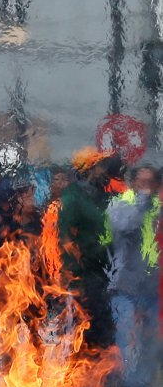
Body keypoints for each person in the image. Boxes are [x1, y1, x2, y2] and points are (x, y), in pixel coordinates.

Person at [59, 149, 121, 352]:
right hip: (85, 273)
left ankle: (102, 373)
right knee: (88, 325)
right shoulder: (73, 195)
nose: (104, 170)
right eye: (100, 166)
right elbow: (66, 235)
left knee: (105, 323)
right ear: (89, 169)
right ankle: (85, 372)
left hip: (106, 269)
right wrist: (76, 266)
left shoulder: (101, 193)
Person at [106, 164, 160, 387]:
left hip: (153, 286)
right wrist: (142, 202)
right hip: (124, 285)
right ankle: (126, 386)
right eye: (142, 182)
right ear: (133, 183)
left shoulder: (159, 206)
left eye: (150, 183)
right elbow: (123, 226)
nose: (145, 187)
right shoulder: (121, 203)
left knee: (151, 339)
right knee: (127, 338)